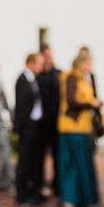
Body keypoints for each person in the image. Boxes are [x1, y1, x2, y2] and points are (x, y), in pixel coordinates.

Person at [55, 47, 102, 207]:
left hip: (83, 127)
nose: (91, 65)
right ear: (82, 62)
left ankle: (84, 199)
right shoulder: (71, 77)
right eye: (89, 62)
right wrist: (91, 104)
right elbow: (72, 101)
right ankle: (70, 198)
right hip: (71, 127)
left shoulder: (85, 79)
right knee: (72, 165)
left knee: (83, 165)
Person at [12, 52, 48, 205]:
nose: (41, 67)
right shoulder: (22, 79)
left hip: (36, 126)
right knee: (25, 161)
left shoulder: (35, 79)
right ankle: (22, 194)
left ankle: (34, 191)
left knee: (35, 161)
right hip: (27, 128)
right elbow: (22, 106)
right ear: (31, 63)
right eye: (39, 64)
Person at [37, 44, 60, 194]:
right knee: (40, 155)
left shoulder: (58, 73)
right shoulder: (38, 75)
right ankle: (41, 183)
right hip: (41, 122)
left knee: (57, 155)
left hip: (56, 121)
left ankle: (56, 184)